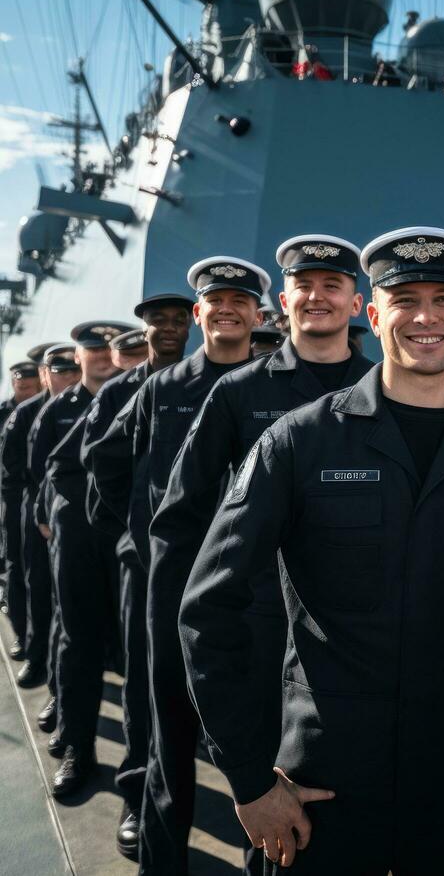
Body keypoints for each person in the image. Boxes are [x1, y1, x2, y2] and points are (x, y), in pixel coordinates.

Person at [179, 227, 444, 875]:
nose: (427, 317)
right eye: (404, 299)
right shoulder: (298, 444)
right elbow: (206, 609)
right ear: (374, 312)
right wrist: (249, 780)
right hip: (327, 789)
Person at [151, 234, 373, 873]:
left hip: (354, 638)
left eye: (333, 285)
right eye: (305, 285)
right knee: (275, 824)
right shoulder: (238, 395)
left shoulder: (386, 390)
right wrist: (184, 629)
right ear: (285, 300)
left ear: (356, 302)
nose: (318, 296)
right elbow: (181, 519)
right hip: (261, 637)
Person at [132, 257, 267, 875]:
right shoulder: (161, 389)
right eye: (216, 301)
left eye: (240, 300)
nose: (228, 309)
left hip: (253, 588)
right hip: (175, 580)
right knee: (170, 735)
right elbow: (127, 475)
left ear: (259, 314)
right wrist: (142, 543)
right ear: (199, 313)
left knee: (259, 737)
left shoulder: (274, 387)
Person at [82, 292, 194, 858]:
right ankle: (139, 797)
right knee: (146, 688)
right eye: (160, 322)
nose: (170, 330)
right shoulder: (128, 392)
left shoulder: (217, 384)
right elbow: (100, 462)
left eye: (179, 320)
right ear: (144, 329)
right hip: (149, 567)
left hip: (212, 568)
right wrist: (132, 536)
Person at [42, 321, 133, 798]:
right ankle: (80, 748)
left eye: (110, 347)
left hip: (133, 541)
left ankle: (142, 775)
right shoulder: (72, 406)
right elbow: (53, 466)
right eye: (92, 347)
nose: (101, 355)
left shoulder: (147, 390)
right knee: (78, 642)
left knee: (139, 655)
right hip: (82, 534)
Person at [25, 345, 82, 741]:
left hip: (116, 533)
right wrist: (45, 516)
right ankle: (63, 706)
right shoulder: (45, 414)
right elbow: (37, 472)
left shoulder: (124, 398)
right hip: (66, 526)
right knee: (68, 622)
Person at [0, 361, 43, 660]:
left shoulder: (47, 408)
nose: (25, 389)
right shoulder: (7, 413)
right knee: (16, 567)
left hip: (38, 500)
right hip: (11, 498)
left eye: (30, 385)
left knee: (38, 574)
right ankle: (22, 634)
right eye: (21, 385)